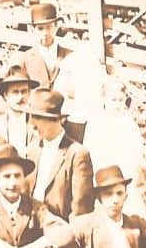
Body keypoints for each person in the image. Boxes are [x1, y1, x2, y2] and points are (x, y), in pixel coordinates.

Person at [23, 88, 95, 221]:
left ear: (56, 120)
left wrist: (63, 231)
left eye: (38, 117)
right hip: (29, 224)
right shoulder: (32, 150)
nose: (32, 124)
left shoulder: (77, 154)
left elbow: (81, 210)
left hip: (60, 228)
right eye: (30, 117)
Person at [82, 77, 146, 217]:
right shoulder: (95, 122)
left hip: (125, 171)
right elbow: (89, 150)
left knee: (129, 208)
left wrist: (136, 170)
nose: (117, 105)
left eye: (120, 100)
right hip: (103, 171)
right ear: (104, 99)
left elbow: (137, 151)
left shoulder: (128, 122)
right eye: (113, 100)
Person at [0, 63, 39, 156]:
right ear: (5, 95)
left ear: (29, 93)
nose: (20, 97)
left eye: (24, 91)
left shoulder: (37, 124)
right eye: (15, 92)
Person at [17, 3, 73, 90]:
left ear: (56, 27)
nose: (45, 32)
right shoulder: (25, 58)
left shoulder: (70, 56)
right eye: (40, 28)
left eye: (49, 27)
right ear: (33, 30)